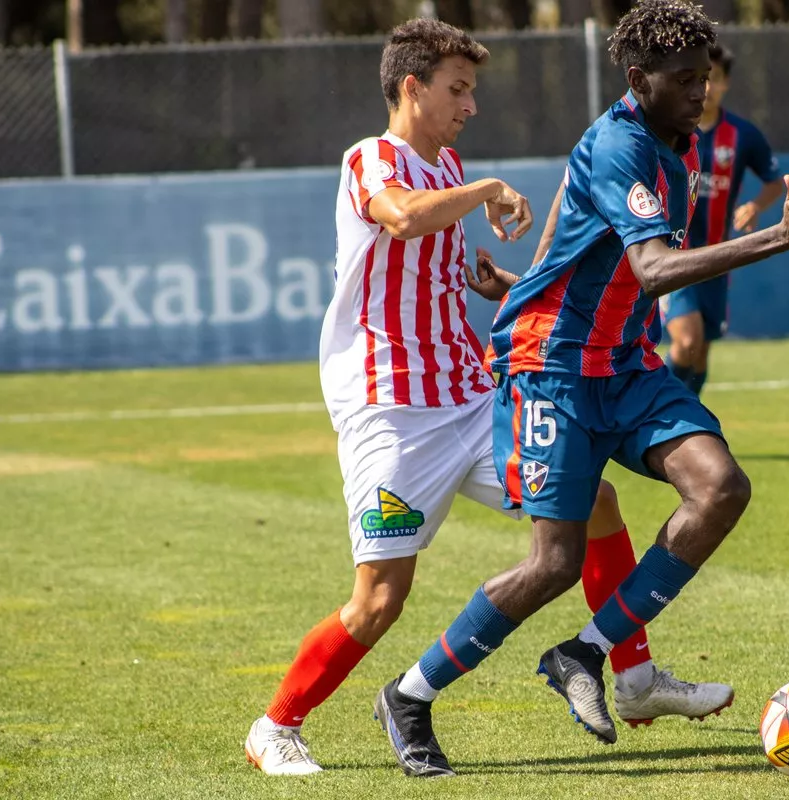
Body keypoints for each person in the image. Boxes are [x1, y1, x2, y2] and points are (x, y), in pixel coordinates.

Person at [243, 18, 727, 778]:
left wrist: (504, 283)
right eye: (456, 90)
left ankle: (631, 676)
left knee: (593, 502)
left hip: (471, 398)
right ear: (412, 87)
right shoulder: (372, 159)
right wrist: (489, 190)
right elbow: (399, 219)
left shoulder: (447, 168)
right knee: (378, 601)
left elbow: (438, 267)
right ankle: (276, 725)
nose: (469, 106)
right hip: (392, 416)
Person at [383, 0, 789, 773]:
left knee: (721, 488)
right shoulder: (624, 144)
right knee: (553, 565)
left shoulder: (675, 144)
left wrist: (519, 283)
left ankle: (584, 655)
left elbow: (567, 244)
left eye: (707, 77)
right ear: (638, 79)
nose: (702, 93)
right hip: (552, 373)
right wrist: (775, 238)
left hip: (622, 364)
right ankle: (411, 695)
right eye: (686, 80)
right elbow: (652, 269)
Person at [662, 43, 785, 396]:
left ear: (726, 83)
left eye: (714, 79)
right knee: (686, 342)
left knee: (699, 355)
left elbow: (774, 181)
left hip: (716, 258)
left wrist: (756, 206)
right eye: (699, 79)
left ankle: (684, 427)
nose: (707, 87)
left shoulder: (742, 134)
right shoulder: (670, 129)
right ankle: (640, 412)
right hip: (675, 257)